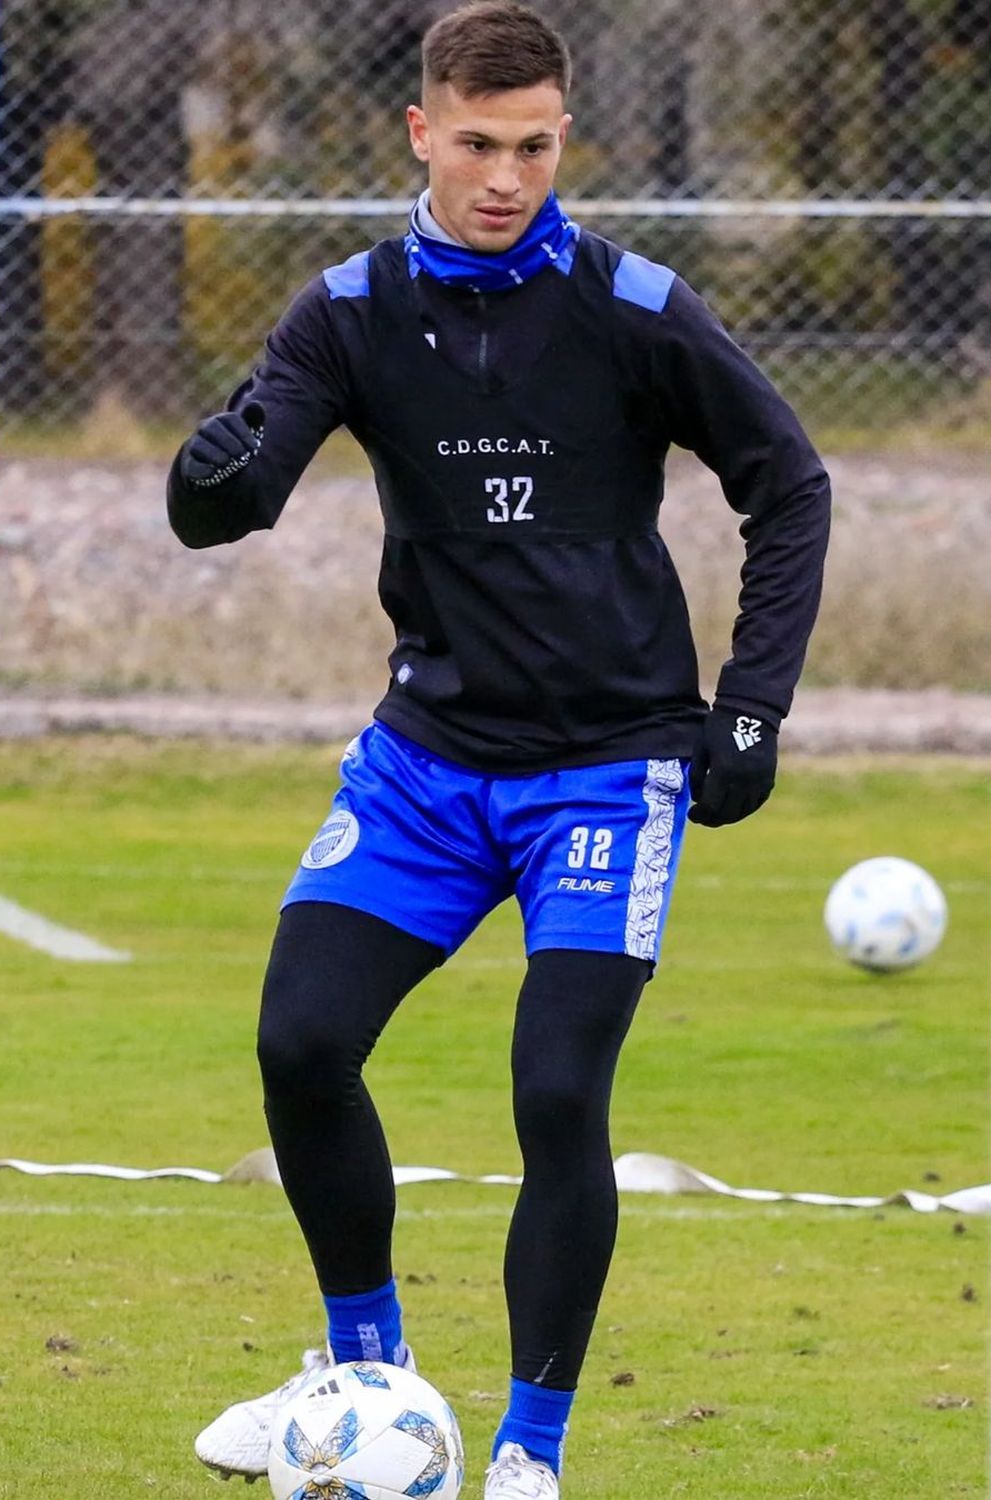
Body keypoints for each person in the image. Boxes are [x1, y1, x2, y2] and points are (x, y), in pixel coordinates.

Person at [167, 3, 831, 1494]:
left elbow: (790, 483)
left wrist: (751, 705)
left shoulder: (636, 306)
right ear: (422, 132)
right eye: (477, 144)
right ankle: (364, 1376)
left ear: (562, 138)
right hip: (426, 762)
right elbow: (240, 493)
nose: (505, 177)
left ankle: (530, 1456)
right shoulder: (349, 308)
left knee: (556, 1090)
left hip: (609, 767)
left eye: (534, 147)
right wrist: (202, 482)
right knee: (301, 1043)